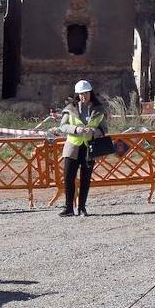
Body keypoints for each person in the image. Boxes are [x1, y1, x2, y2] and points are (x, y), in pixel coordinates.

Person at [59, 80, 107, 217]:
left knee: (85, 178)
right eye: (80, 94)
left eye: (85, 93)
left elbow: (104, 129)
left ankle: (82, 208)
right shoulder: (70, 108)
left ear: (90, 93)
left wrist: (94, 131)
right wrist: (76, 129)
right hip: (72, 147)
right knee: (69, 178)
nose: (83, 96)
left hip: (89, 148)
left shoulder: (99, 109)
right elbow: (62, 126)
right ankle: (69, 208)